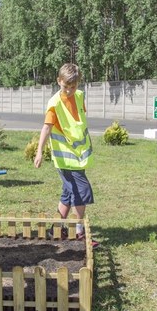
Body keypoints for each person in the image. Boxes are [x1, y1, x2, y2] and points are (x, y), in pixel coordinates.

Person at [33, 63, 98, 248]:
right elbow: (46, 128)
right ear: (58, 81)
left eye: (73, 86)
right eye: (65, 86)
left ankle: (58, 228)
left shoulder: (79, 96)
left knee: (69, 193)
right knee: (81, 192)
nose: (69, 91)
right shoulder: (54, 104)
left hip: (78, 156)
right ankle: (79, 232)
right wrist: (39, 151)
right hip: (65, 158)